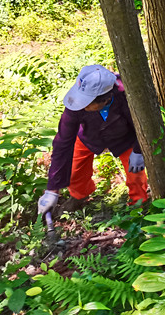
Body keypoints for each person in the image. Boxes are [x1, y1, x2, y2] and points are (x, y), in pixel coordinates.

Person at [37, 65, 148, 218]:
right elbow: (62, 143)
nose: (82, 105)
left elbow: (143, 124)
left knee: (135, 173)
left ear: (105, 99)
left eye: (87, 103)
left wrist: (138, 150)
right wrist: (52, 190)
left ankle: (138, 205)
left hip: (124, 138)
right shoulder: (76, 104)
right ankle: (79, 196)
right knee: (75, 171)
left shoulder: (126, 96)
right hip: (88, 137)